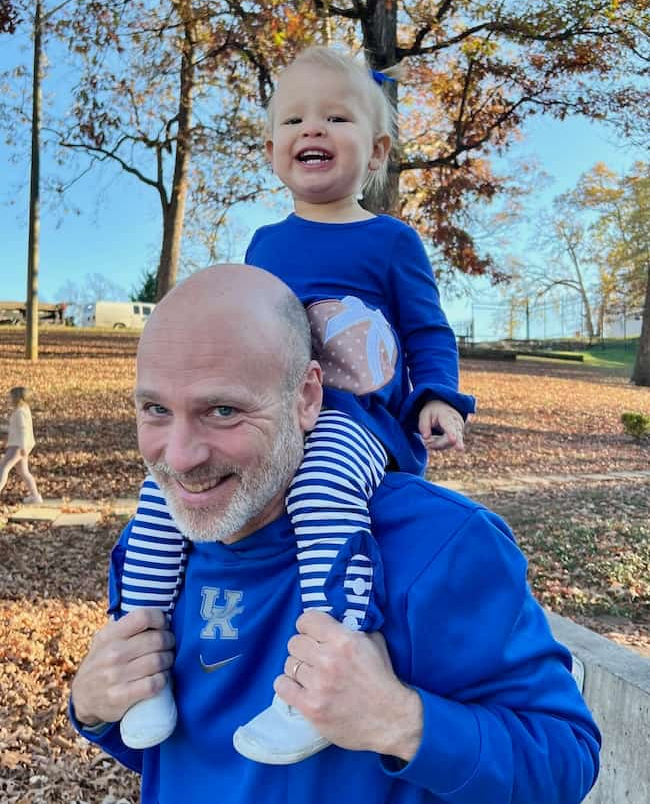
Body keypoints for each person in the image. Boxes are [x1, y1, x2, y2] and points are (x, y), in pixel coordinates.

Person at [70, 265, 600, 804]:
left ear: (306, 398)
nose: (180, 458)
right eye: (156, 409)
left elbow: (566, 760)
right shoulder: (160, 544)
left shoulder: (440, 545)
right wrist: (93, 708)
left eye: (223, 410)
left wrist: (400, 722)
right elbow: (185, 754)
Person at [117, 46, 477, 760]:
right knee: (161, 494)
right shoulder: (265, 241)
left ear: (375, 150)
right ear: (272, 147)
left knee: (318, 487)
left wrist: (439, 398)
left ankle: (325, 662)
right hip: (275, 416)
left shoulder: (391, 241)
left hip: (357, 421)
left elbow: (429, 329)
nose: (312, 128)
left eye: (336, 116)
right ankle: (141, 662)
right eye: (294, 118)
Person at [0, 386, 43, 504]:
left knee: (3, 468)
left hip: (18, 446)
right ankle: (35, 496)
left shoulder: (20, 412)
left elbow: (24, 429)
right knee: (23, 471)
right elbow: (16, 428)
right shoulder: (24, 410)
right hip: (22, 445)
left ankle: (35, 496)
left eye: (10, 397)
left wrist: (23, 446)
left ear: (17, 398)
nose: (9, 400)